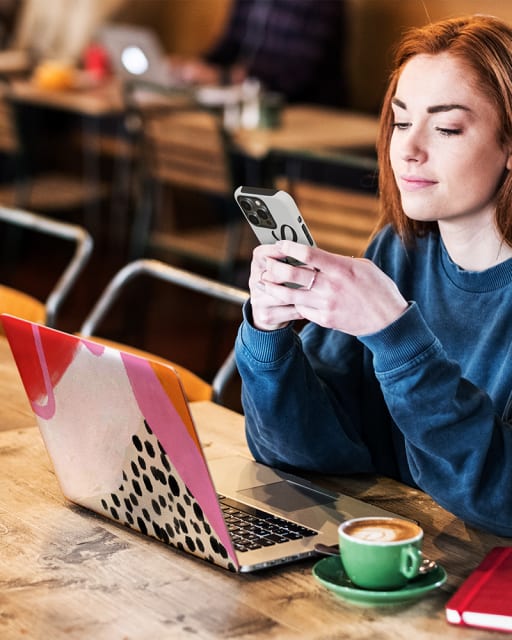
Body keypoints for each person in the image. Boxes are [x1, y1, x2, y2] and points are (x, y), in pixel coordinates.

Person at [234, 14, 512, 537]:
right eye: (402, 122)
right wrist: (269, 341)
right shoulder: (398, 249)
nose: (408, 149)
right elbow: (305, 451)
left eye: (447, 127)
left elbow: (503, 501)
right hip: (388, 553)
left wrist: (398, 338)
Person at [171, 0, 347, 108]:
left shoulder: (322, 3)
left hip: (303, 111)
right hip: (246, 102)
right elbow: (228, 46)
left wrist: (227, 77)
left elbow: (297, 75)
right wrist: (195, 67)